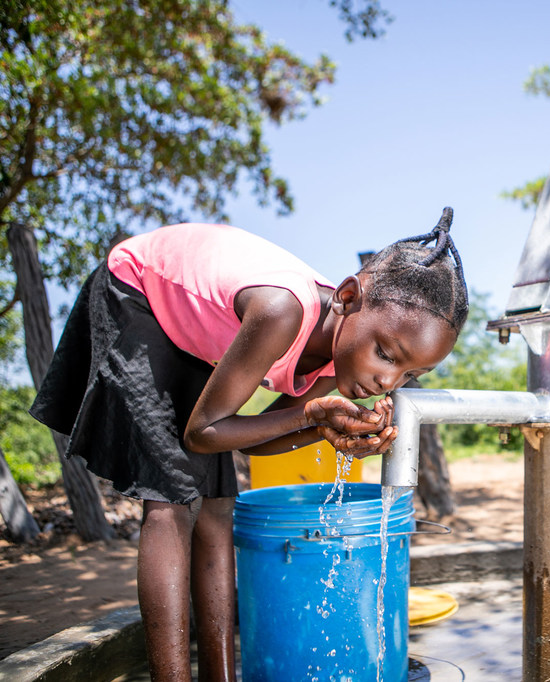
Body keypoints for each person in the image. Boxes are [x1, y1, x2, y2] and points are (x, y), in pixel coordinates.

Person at [29, 209, 468, 681]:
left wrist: (324, 430)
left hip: (198, 329)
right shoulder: (283, 311)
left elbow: (252, 440)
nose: (387, 380)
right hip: (139, 291)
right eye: (385, 354)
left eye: (408, 375)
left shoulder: (337, 351)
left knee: (218, 506)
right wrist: (308, 414)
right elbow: (205, 432)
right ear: (345, 297)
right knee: (168, 501)